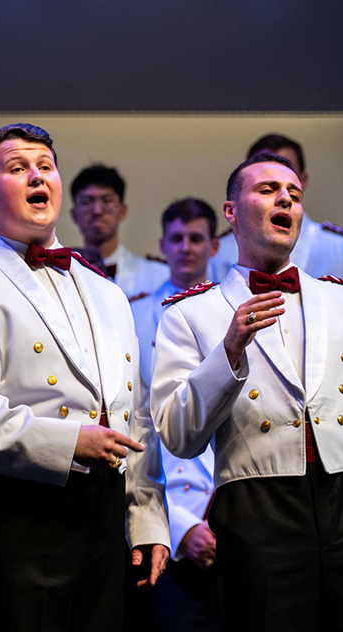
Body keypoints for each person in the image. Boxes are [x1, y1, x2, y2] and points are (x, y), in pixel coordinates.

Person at [151, 154, 343, 630]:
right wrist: (229, 349)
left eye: (294, 195)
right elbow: (177, 434)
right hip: (258, 512)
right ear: (231, 212)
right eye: (269, 190)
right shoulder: (190, 314)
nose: (285, 200)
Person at [0, 123, 170, 630]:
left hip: (102, 514)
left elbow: (135, 415)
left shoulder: (106, 291)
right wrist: (66, 442)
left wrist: (146, 517)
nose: (38, 176)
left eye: (46, 166)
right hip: (12, 511)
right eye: (18, 168)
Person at [130, 198, 222, 632]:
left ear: (214, 247)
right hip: (165, 503)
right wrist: (182, 521)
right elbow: (135, 424)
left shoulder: (238, 314)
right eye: (177, 238)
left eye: (197, 238)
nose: (186, 247)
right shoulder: (130, 316)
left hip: (229, 503)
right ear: (163, 245)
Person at [209, 133, 343, 282]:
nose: (284, 198)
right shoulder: (217, 253)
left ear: (302, 180)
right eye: (267, 188)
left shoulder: (342, 249)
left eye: (287, 169)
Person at [69, 164, 168, 301]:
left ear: (122, 211)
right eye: (87, 202)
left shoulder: (158, 275)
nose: (97, 210)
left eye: (107, 201)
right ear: (74, 214)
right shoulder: (62, 275)